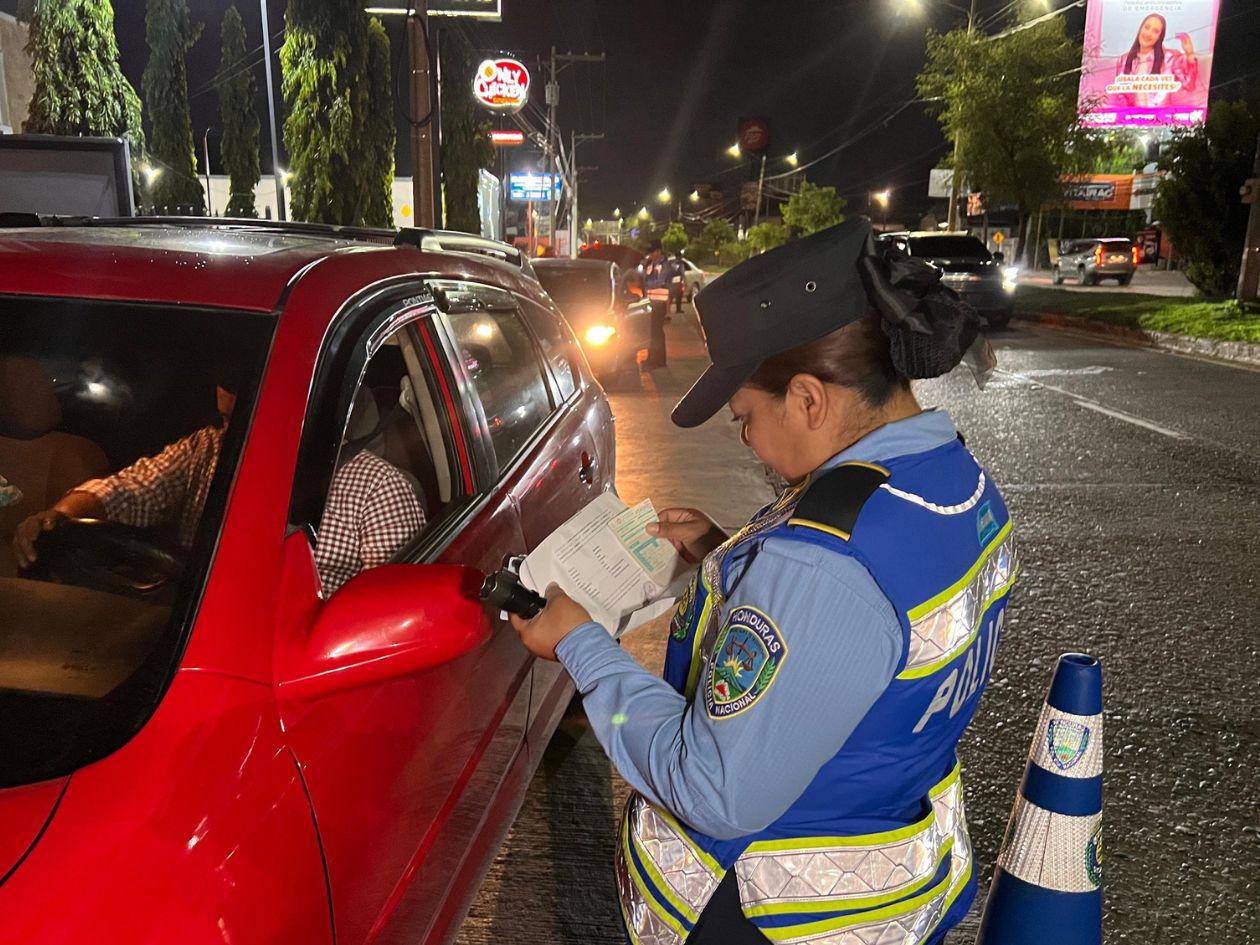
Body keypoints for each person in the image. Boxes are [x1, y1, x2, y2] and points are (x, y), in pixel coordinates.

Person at [511, 218, 1015, 945]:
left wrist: (581, 645)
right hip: (887, 885)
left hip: (772, 913)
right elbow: (867, 641)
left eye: (745, 416)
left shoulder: (823, 561)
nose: (745, 438)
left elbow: (711, 787)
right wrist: (723, 552)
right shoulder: (954, 483)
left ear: (809, 398)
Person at [14, 381, 425, 597]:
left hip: (296, 670)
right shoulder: (206, 449)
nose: (234, 435)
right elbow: (129, 491)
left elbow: (384, 621)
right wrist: (62, 515)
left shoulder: (379, 489)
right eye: (229, 419)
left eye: (251, 418)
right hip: (192, 638)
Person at [1108, 13, 1198, 109]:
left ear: (1160, 37)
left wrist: (1190, 54)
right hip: (1133, 116)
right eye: (1146, 27)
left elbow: (1189, 85)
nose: (1148, 34)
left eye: (1155, 31)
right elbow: (1120, 96)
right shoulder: (1124, 60)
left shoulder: (1170, 57)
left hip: (1161, 116)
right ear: (1140, 29)